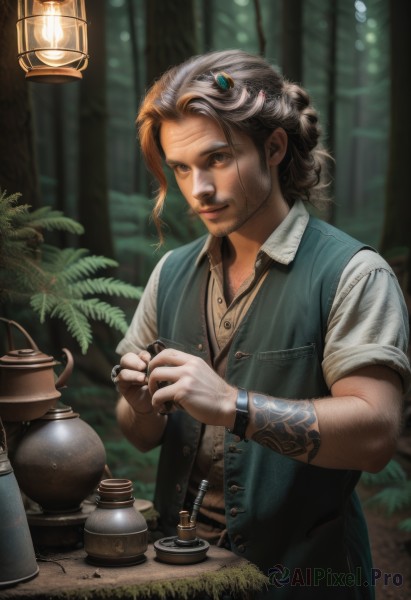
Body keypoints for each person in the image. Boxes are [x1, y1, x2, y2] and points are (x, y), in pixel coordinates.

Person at [114, 50, 410, 598]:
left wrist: (232, 405)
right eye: (180, 168)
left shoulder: (352, 273)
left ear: (274, 148)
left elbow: (375, 436)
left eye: (217, 159)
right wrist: (136, 402)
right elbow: (140, 434)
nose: (197, 188)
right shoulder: (171, 272)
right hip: (177, 575)